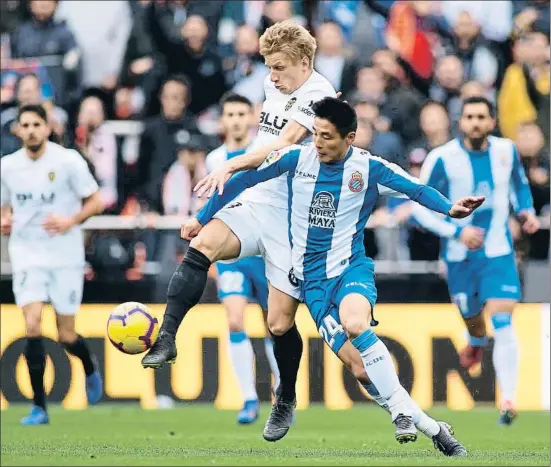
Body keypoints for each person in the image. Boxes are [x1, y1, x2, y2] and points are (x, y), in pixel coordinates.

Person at [143, 22, 466, 454]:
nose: (272, 76)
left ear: (305, 63)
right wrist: (205, 213)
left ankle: (292, 398)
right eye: (268, 67)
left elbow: (283, 149)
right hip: (258, 200)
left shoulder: (320, 96)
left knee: (289, 329)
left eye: (279, 67)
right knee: (202, 245)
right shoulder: (272, 82)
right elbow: (269, 155)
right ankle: (167, 337)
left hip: (293, 226)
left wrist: (233, 165)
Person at [187, 97, 480, 452]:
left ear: (350, 138)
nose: (318, 143)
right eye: (315, 134)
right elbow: (241, 183)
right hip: (313, 285)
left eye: (327, 136)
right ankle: (433, 428)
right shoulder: (296, 159)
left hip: (350, 269)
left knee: (356, 324)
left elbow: (415, 189)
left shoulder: (369, 168)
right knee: (359, 370)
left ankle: (400, 413)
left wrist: (449, 208)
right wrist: (201, 218)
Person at [411, 96, 540, 426]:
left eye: (482, 116)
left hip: (498, 253)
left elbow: (519, 188)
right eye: (469, 116)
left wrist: (526, 213)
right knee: (474, 320)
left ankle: (508, 401)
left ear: (492, 121)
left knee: (504, 321)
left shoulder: (506, 151)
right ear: (460, 122)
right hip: (459, 258)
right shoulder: (442, 159)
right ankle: (476, 341)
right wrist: (456, 234)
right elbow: (419, 209)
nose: (476, 122)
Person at [0, 104, 105, 425]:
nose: (31, 130)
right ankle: (39, 407)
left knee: (66, 334)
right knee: (32, 325)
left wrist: (70, 220)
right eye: (25, 125)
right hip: (27, 252)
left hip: (65, 255)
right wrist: (4, 220)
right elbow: (5, 207)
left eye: (36, 124)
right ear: (17, 130)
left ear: (47, 128)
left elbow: (97, 200)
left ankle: (88, 367)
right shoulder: (7, 167)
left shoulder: (67, 161)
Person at [205, 92, 280, 424]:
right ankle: (249, 398)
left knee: (274, 325)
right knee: (234, 320)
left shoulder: (263, 152)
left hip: (265, 252)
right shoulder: (213, 160)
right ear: (222, 121)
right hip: (232, 253)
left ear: (251, 118)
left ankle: (282, 392)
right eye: (229, 115)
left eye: (240, 114)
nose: (235, 120)